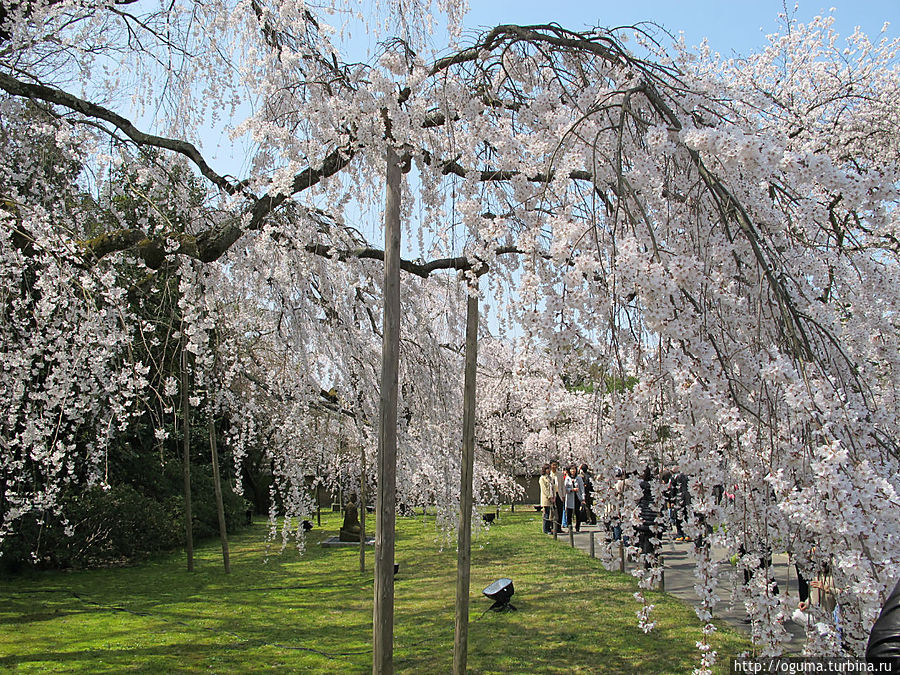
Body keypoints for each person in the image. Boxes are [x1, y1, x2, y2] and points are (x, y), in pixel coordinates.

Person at [636, 467, 658, 567]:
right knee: (655, 536)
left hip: (644, 512)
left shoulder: (641, 485)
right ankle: (655, 557)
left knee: (645, 537)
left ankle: (647, 560)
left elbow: (637, 497)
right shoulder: (656, 485)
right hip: (654, 513)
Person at [564, 464, 585, 532]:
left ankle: (577, 527)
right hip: (570, 497)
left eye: (574, 469)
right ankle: (570, 527)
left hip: (577, 497)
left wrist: (583, 498)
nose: (573, 471)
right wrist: (571, 489)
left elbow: (582, 488)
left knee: (577, 513)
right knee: (569, 513)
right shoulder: (567, 478)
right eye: (571, 469)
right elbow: (565, 488)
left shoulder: (579, 478)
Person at [550, 460, 565, 533]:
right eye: (553, 465)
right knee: (552, 512)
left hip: (559, 494)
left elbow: (562, 485)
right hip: (552, 495)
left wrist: (563, 495)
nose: (554, 466)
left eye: (556, 465)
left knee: (560, 511)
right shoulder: (549, 475)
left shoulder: (560, 474)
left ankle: (559, 527)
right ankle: (552, 527)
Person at [538, 463, 554, 534]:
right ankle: (546, 529)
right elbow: (544, 489)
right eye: (547, 469)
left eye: (549, 469)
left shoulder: (549, 478)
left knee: (550, 514)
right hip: (546, 498)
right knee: (546, 513)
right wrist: (549, 497)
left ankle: (549, 528)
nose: (549, 470)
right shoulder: (542, 478)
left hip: (551, 497)